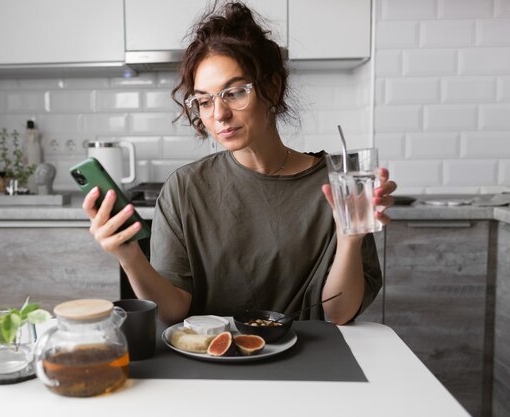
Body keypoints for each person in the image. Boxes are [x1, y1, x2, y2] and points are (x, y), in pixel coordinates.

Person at [83, 1, 397, 326]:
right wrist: (129, 255)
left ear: (272, 88)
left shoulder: (339, 186)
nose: (219, 115)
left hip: (313, 364)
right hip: (210, 368)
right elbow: (172, 312)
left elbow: (339, 313)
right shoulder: (184, 189)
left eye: (233, 93)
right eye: (204, 101)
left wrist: (350, 236)